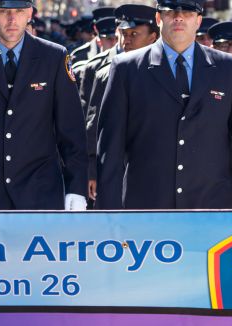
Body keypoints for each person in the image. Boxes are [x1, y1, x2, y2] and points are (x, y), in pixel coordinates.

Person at [96, 0, 232, 209]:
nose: (178, 17)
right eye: (170, 12)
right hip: (146, 207)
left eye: (187, 12)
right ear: (158, 18)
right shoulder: (126, 69)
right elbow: (110, 148)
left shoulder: (229, 68)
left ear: (198, 21)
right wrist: (107, 215)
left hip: (210, 208)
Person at [0, 0, 87, 210]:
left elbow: (71, 129)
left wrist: (77, 187)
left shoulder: (54, 57)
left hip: (40, 193)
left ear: (29, 13)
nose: (12, 19)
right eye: (4, 12)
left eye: (19, 12)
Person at [84, 4, 158, 202]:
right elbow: (93, 127)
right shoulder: (104, 73)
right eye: (123, 33)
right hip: (115, 170)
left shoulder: (165, 74)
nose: (127, 40)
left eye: (134, 34)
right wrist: (91, 170)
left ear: (153, 37)